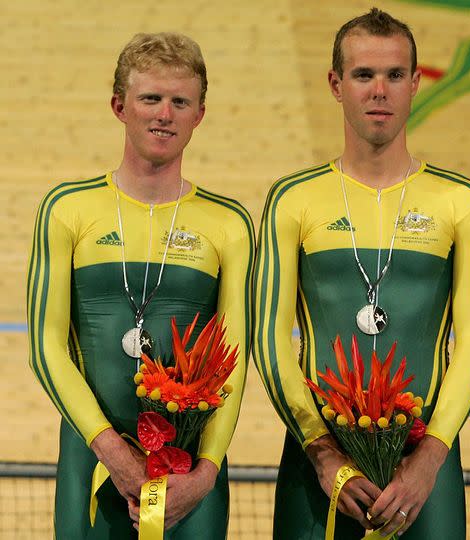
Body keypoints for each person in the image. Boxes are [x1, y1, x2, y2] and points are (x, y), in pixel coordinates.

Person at [253, 8, 470, 539]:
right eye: (363, 75)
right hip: (318, 470)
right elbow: (267, 340)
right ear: (336, 85)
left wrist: (430, 458)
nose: (379, 90)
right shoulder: (292, 200)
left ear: (416, 83)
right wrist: (321, 453)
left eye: (393, 75)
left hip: (426, 473)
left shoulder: (462, 201)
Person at [27, 32, 253, 538]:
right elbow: (45, 347)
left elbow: (233, 360)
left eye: (180, 101)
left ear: (200, 114)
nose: (164, 114)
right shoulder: (67, 209)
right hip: (92, 463)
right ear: (119, 106)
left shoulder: (230, 224)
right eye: (150, 98)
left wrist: (208, 470)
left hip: (191, 479)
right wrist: (111, 448)